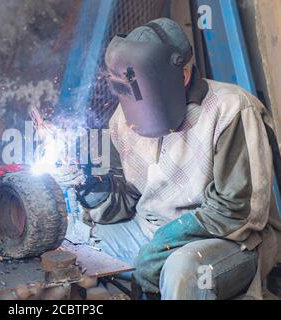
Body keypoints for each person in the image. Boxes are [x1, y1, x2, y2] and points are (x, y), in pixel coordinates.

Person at [73, 18, 281, 300]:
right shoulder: (122, 121)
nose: (130, 99)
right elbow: (127, 201)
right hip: (149, 235)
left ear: (182, 76)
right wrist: (93, 189)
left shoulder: (231, 109)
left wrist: (168, 242)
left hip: (227, 242)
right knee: (70, 243)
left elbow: (239, 211)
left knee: (181, 272)